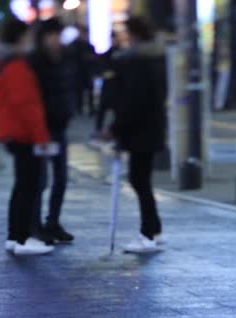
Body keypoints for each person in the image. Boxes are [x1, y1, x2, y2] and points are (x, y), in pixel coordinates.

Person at [0, 19, 54, 255]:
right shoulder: (16, 66)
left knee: (22, 185)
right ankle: (22, 238)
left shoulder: (3, 63)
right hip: (23, 133)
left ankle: (15, 236)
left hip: (10, 131)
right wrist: (41, 136)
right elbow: (27, 105)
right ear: (21, 37)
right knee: (29, 185)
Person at [106, 17, 166, 253]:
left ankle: (148, 233)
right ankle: (154, 229)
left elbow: (133, 101)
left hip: (141, 131)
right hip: (149, 128)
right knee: (142, 180)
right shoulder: (154, 59)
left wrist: (116, 128)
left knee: (140, 180)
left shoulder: (138, 63)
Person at [28, 18, 76, 243]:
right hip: (41, 128)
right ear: (43, 37)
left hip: (60, 125)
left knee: (61, 178)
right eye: (52, 35)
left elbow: (69, 88)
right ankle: (34, 225)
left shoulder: (65, 58)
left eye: (58, 34)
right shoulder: (36, 61)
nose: (56, 39)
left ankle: (53, 222)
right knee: (39, 180)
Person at [94, 31, 127, 135]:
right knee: (102, 110)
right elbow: (104, 71)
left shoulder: (122, 54)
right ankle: (99, 129)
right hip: (109, 87)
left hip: (117, 88)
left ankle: (116, 132)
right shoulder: (107, 54)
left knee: (117, 111)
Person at [70, 26, 97, 115]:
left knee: (85, 91)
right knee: (80, 92)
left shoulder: (87, 46)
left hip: (85, 72)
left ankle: (86, 109)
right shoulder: (76, 45)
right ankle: (80, 108)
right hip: (79, 72)